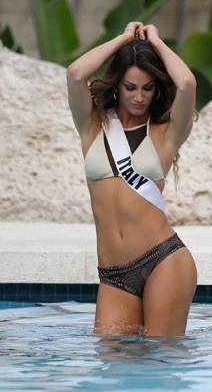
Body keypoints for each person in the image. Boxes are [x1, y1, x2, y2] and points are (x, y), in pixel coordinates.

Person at [66, 22, 198, 336]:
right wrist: (125, 40)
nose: (139, 97)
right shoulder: (92, 125)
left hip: (163, 260)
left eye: (148, 88)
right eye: (130, 87)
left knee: (159, 363)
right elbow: (75, 73)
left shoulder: (166, 133)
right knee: (110, 367)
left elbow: (187, 83)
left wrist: (155, 40)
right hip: (114, 274)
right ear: (116, 85)